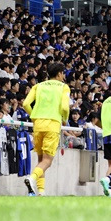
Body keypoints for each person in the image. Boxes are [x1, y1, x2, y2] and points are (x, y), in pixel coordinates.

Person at [22, 62, 70, 196]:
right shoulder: (63, 87)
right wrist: (65, 118)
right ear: (60, 73)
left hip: (38, 124)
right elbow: (65, 108)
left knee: (41, 160)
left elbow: (25, 103)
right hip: (52, 124)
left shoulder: (38, 86)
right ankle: (31, 178)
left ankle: (40, 192)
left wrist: (33, 116)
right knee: (47, 161)